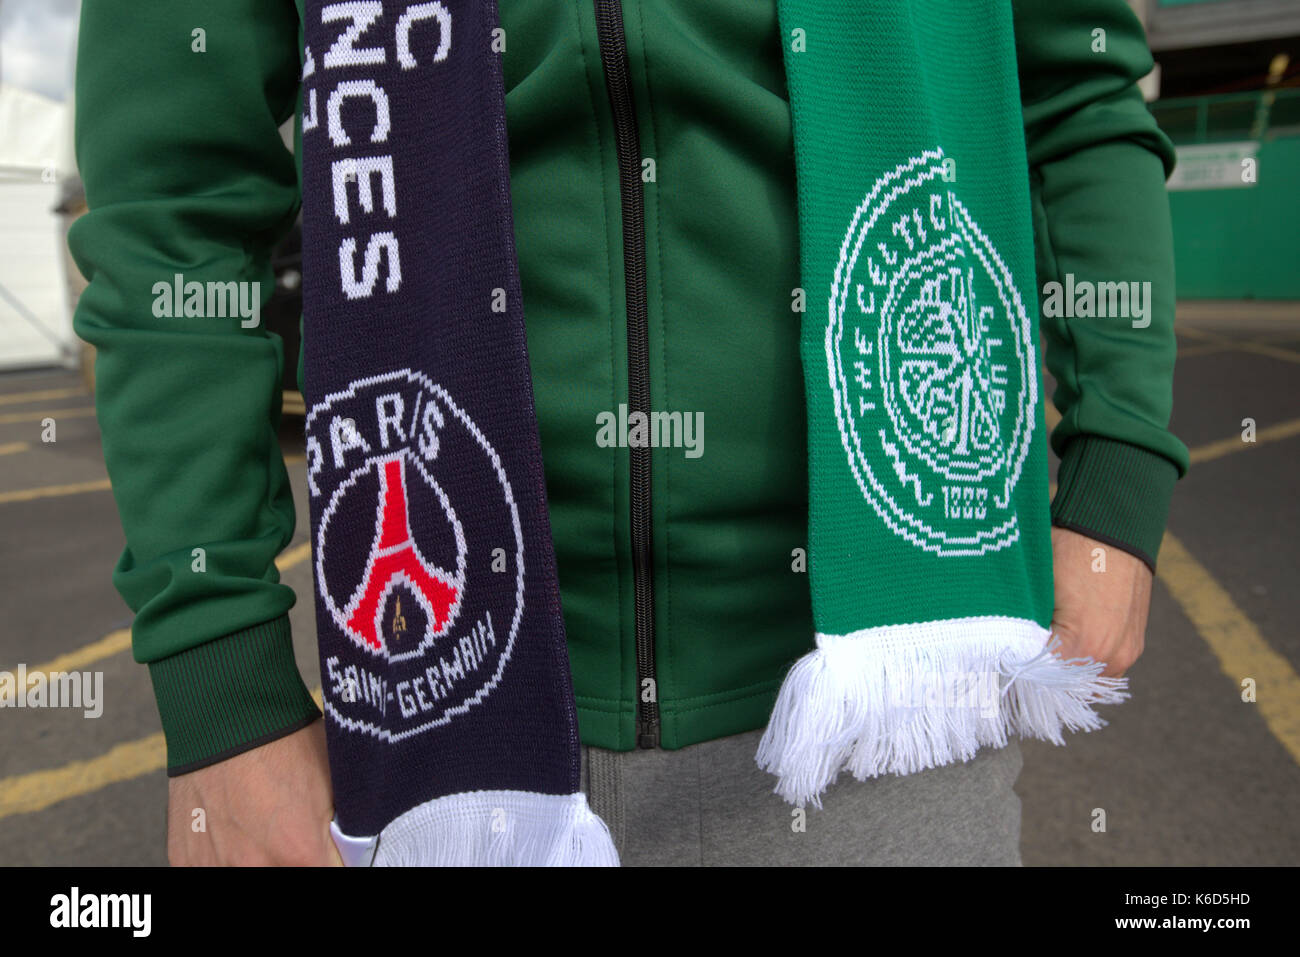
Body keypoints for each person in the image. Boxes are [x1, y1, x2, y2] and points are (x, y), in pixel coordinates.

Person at [69, 0, 1187, 866]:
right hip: (442, 729)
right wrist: (220, 679)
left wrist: (1117, 467)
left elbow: (1075, 86)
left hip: (889, 694)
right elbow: (176, 194)